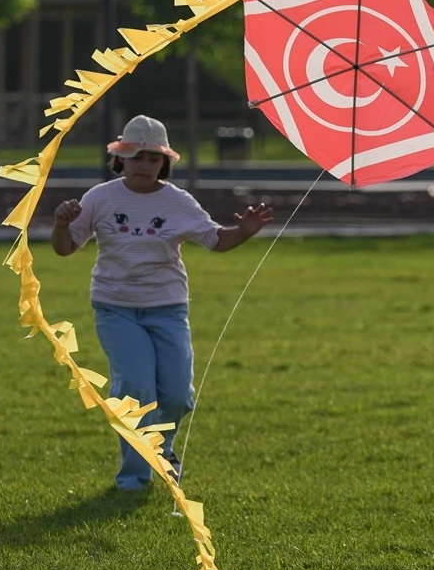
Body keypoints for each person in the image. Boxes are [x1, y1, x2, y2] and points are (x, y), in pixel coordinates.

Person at [51, 114, 273, 491]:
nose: (145, 165)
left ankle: (163, 450)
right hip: (115, 307)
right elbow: (66, 247)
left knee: (176, 394)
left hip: (168, 308)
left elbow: (216, 240)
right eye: (137, 156)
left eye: (153, 158)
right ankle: (133, 479)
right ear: (120, 158)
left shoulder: (177, 202)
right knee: (136, 388)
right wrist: (60, 224)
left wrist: (245, 232)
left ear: (164, 162)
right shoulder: (100, 198)